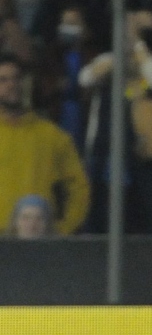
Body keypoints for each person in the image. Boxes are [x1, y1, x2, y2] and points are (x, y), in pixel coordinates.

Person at [0, 56, 90, 235]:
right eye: (3, 80)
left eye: (17, 78)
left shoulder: (52, 136)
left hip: (39, 247)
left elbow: (79, 187)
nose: (12, 85)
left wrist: (62, 230)